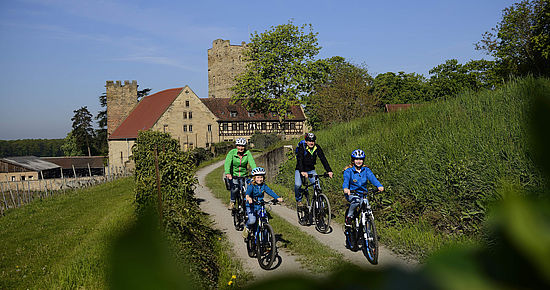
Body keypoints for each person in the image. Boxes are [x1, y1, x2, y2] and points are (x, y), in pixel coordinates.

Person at [342, 149, 384, 244]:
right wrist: (346, 188)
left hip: (363, 194)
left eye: (361, 159)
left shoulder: (366, 170)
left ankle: (368, 224)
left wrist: (379, 185)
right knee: (356, 201)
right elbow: (346, 181)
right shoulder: (348, 171)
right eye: (356, 159)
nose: (359, 161)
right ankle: (349, 217)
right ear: (353, 160)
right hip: (352, 194)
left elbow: (373, 178)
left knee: (367, 206)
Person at [295, 132, 333, 207]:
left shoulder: (317, 148)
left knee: (317, 187)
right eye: (309, 141)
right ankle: (299, 200)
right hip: (300, 169)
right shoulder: (302, 148)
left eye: (313, 141)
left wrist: (329, 171)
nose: (311, 143)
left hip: (311, 170)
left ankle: (320, 206)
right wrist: (302, 171)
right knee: (298, 185)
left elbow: (323, 159)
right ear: (306, 141)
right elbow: (299, 159)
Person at [243, 167, 283, 238]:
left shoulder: (263, 186)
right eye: (258, 177)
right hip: (251, 206)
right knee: (252, 220)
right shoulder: (251, 186)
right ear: (254, 178)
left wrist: (277, 198)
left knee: (264, 221)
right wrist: (248, 198)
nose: (260, 179)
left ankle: (265, 240)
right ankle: (247, 227)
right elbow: (247, 193)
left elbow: (270, 191)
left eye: (261, 177)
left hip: (260, 205)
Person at [225, 138, 257, 210]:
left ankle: (247, 205)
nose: (241, 148)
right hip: (234, 175)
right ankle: (232, 202)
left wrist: (255, 172)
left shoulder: (247, 153)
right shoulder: (232, 153)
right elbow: (227, 163)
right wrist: (228, 173)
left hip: (244, 175)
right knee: (235, 189)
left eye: (242, 146)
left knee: (247, 189)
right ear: (236, 146)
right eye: (239, 146)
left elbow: (252, 163)